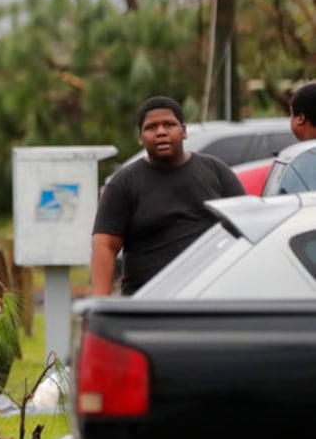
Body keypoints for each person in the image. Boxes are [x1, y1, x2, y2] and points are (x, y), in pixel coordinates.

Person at [91, 95, 245, 296]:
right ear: (140, 137)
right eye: (151, 127)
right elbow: (104, 245)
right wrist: (100, 305)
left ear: (184, 131)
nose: (161, 132)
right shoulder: (123, 183)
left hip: (209, 297)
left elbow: (245, 227)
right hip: (148, 303)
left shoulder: (215, 170)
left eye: (169, 125)